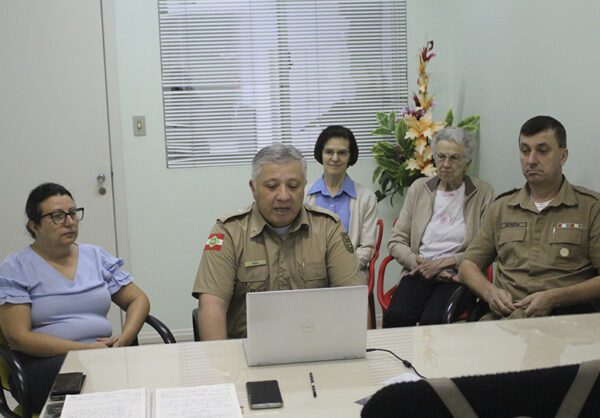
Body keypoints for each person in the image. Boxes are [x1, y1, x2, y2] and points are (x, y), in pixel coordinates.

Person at [0, 183, 150, 413]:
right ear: (34, 226)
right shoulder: (16, 267)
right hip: (43, 363)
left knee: (144, 367)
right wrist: (83, 351)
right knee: (95, 379)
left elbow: (138, 299)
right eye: (57, 216)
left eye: (73, 213)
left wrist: (123, 340)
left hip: (101, 356)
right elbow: (19, 338)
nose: (69, 222)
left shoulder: (95, 256)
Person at [192, 143, 364, 340]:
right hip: (244, 351)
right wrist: (221, 359)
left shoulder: (327, 228)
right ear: (253, 188)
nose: (284, 196)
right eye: (272, 186)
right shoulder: (229, 232)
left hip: (314, 347)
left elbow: (353, 300)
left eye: (293, 186)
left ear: (304, 186)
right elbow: (212, 305)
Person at [459, 115, 600, 319]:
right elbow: (467, 266)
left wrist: (555, 298)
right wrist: (490, 293)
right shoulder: (502, 208)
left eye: (542, 151)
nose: (531, 160)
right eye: (525, 151)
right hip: (507, 319)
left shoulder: (590, 208)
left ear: (563, 156)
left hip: (566, 320)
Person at [383, 127, 494, 327]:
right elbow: (396, 241)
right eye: (441, 157)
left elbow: (487, 247)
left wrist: (446, 263)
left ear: (467, 162)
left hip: (459, 276)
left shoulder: (482, 192)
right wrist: (419, 263)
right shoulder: (419, 188)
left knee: (434, 322)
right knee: (395, 317)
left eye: (454, 158)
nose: (446, 164)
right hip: (419, 272)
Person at [305, 125, 378, 280]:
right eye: (329, 152)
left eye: (342, 153)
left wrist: (343, 268)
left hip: (350, 274)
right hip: (309, 276)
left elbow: (367, 247)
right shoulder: (303, 194)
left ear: (351, 156)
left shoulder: (366, 197)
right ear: (320, 154)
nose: (335, 158)